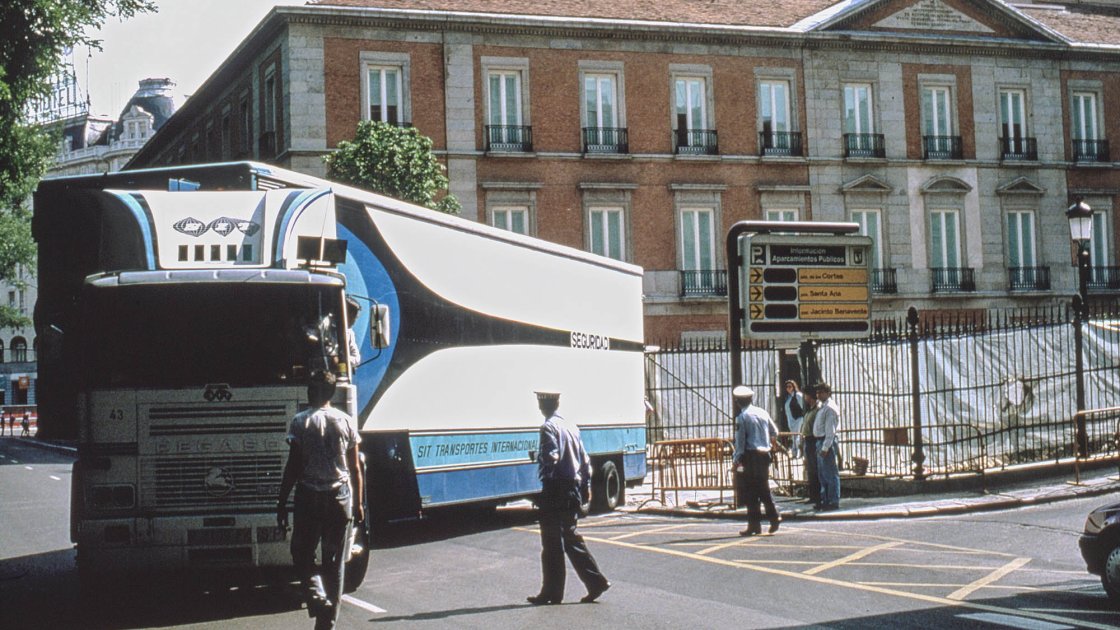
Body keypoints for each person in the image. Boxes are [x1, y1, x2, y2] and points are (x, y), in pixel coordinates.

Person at [277, 371, 364, 630]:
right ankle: (327, 626)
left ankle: (316, 596)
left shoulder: (300, 422)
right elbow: (356, 468)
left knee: (301, 553)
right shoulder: (346, 421)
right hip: (340, 498)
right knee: (334, 563)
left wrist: (281, 500)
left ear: (313, 392)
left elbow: (293, 466)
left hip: (309, 497)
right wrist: (358, 503)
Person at [528, 390, 610, 606]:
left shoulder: (548, 428)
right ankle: (595, 582)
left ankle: (552, 592)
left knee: (551, 542)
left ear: (542, 405)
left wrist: (545, 483)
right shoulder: (571, 427)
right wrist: (586, 487)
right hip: (572, 488)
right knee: (570, 538)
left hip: (556, 490)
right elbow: (584, 461)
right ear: (557, 403)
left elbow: (551, 459)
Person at [732, 386, 785, 536]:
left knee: (753, 491)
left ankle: (771, 517)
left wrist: (736, 460)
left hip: (750, 456)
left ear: (738, 402)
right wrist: (768, 442)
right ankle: (755, 525)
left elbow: (740, 443)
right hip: (764, 456)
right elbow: (775, 431)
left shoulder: (741, 418)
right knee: (761, 487)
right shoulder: (762, 412)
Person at [813, 382, 841, 511]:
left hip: (826, 441)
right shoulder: (822, 406)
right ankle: (825, 500)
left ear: (828, 393)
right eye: (817, 392)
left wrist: (825, 447)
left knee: (830, 473)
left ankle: (833, 501)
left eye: (821, 392)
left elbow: (830, 431)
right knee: (823, 474)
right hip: (819, 441)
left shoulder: (829, 408)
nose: (818, 394)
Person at [799, 387, 822, 507]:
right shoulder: (810, 410)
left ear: (810, 396)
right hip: (807, 440)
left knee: (815, 469)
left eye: (805, 395)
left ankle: (817, 496)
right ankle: (813, 496)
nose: (804, 397)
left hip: (813, 440)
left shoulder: (817, 409)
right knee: (810, 470)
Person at [782, 380, 806, 458]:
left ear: (793, 387)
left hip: (798, 419)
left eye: (790, 386)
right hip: (791, 420)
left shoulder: (798, 395)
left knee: (797, 436)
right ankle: (794, 453)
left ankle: (798, 453)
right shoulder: (788, 397)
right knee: (793, 436)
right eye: (787, 387)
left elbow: (803, 407)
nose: (788, 388)